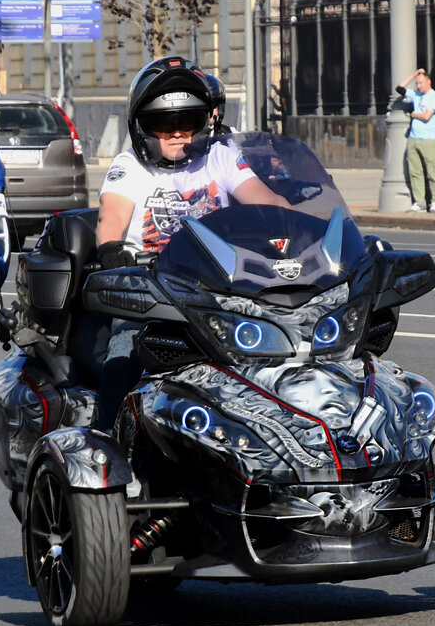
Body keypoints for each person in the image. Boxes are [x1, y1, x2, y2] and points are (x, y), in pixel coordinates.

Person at [92, 55, 291, 432]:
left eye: (188, 121)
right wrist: (110, 250)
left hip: (224, 287)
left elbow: (265, 200)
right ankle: (108, 448)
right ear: (144, 127)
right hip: (151, 293)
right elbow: (112, 216)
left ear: (205, 121)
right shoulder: (131, 165)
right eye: (164, 124)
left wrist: (302, 226)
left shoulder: (220, 156)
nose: (178, 132)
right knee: (124, 353)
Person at [396, 68, 435, 213]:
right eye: (417, 83)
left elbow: (427, 116)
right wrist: (414, 74)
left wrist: (414, 114)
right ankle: (419, 202)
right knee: (415, 172)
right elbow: (400, 88)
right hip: (414, 138)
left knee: (432, 172)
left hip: (429, 139)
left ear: (429, 82)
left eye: (421, 83)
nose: (418, 86)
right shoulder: (415, 94)